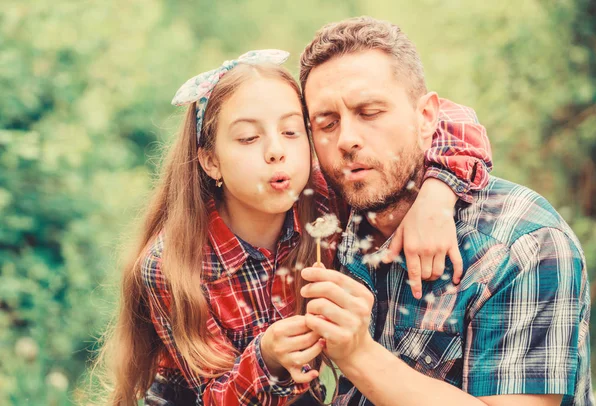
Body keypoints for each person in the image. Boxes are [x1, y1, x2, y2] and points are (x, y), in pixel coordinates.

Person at [93, 47, 493, 405]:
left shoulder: (324, 198)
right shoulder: (172, 265)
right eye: (249, 138)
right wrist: (265, 358)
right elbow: (209, 396)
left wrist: (437, 197)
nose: (275, 151)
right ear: (211, 161)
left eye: (291, 131)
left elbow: (451, 118)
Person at [297, 16, 593, 406]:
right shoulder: (328, 218)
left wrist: (358, 355)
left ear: (425, 119)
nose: (347, 139)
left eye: (370, 112)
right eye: (327, 123)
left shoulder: (523, 244)